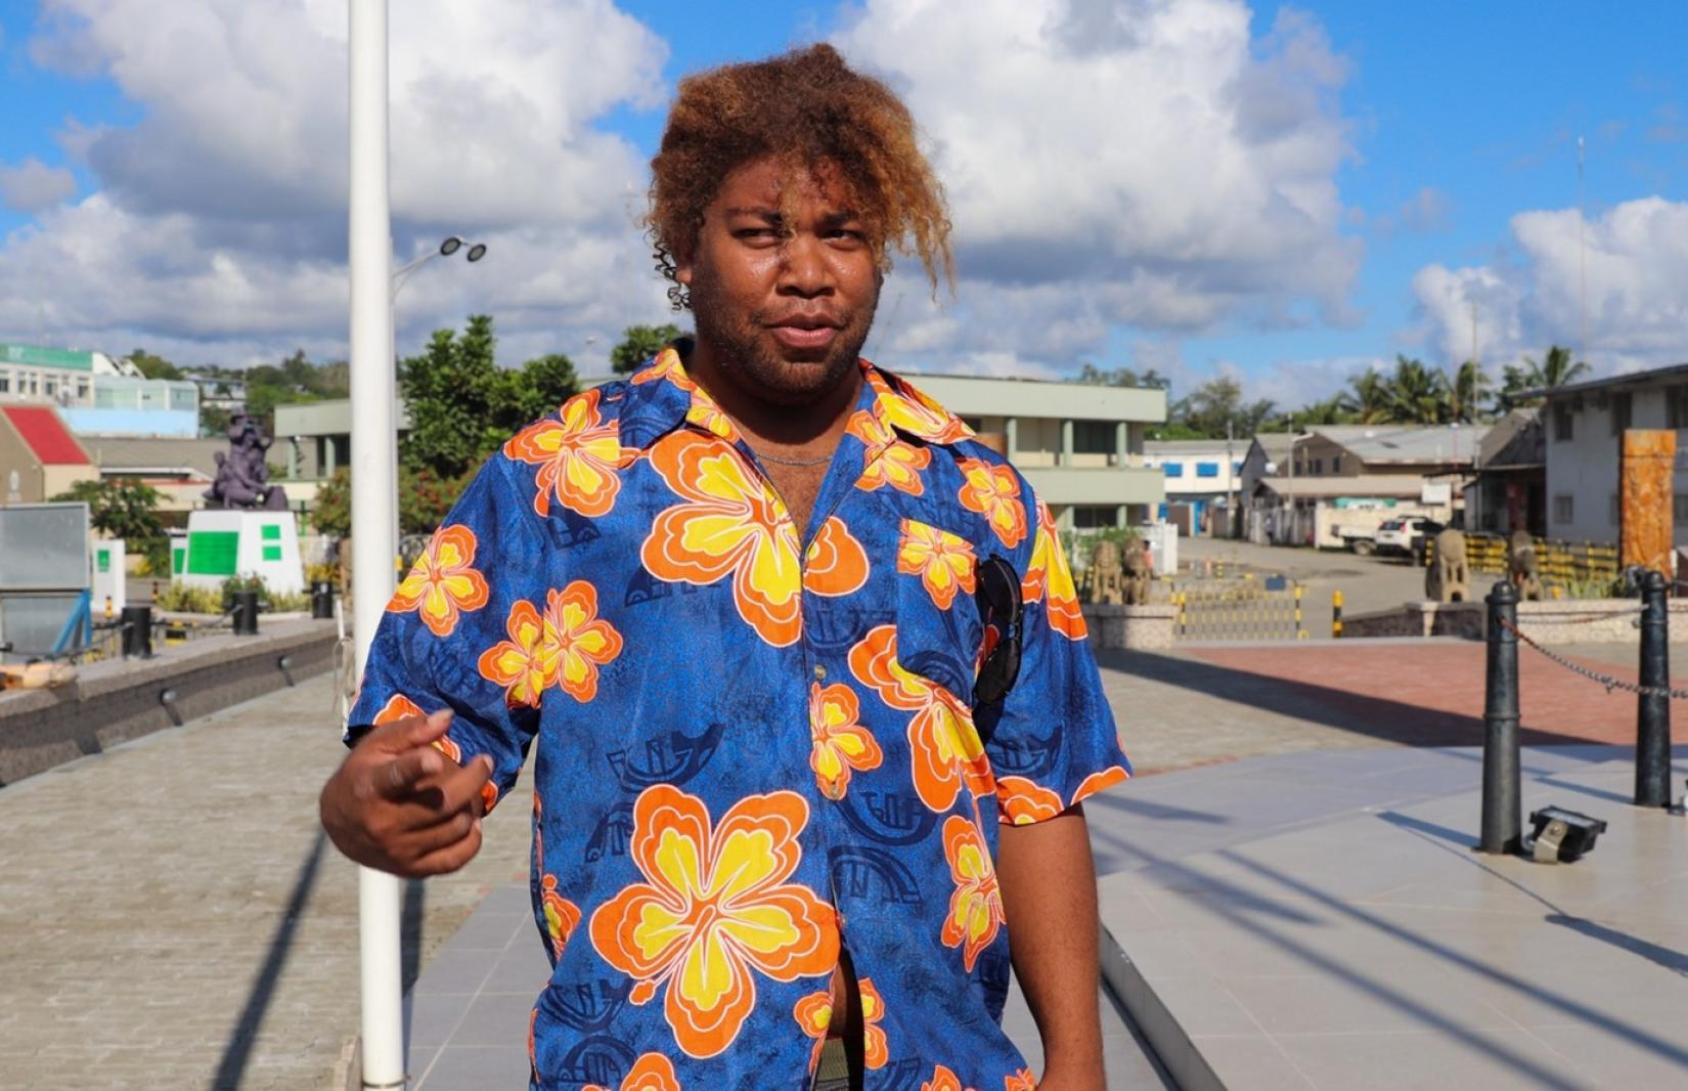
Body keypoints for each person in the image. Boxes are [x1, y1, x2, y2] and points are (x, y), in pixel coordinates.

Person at [320, 43, 1130, 1091]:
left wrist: (1077, 1058)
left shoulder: (976, 496)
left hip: (942, 1068)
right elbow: (412, 727)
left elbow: (1038, 791)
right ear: (684, 249)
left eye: (842, 234)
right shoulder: (560, 480)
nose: (805, 270)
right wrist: (364, 804)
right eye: (760, 234)